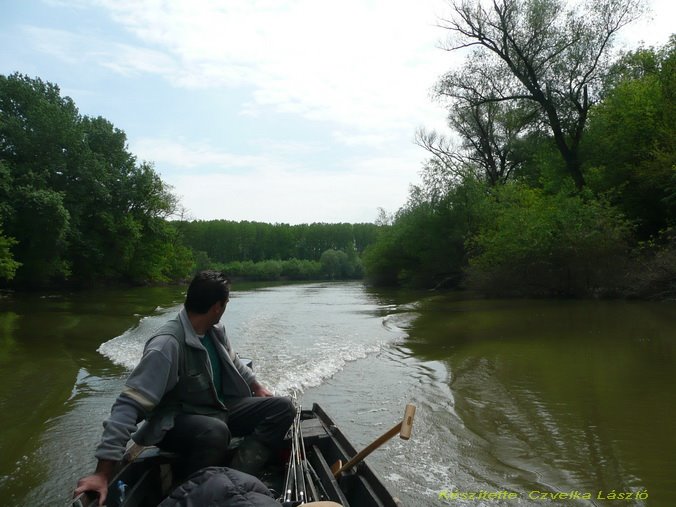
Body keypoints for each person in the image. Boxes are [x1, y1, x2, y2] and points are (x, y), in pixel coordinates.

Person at [74, 270, 295, 505]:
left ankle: (237, 478)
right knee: (215, 431)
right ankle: (193, 493)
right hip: (177, 421)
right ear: (218, 307)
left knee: (282, 407)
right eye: (226, 303)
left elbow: (235, 362)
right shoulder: (166, 346)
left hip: (217, 408)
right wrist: (102, 473)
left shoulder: (215, 331)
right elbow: (128, 405)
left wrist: (256, 386)